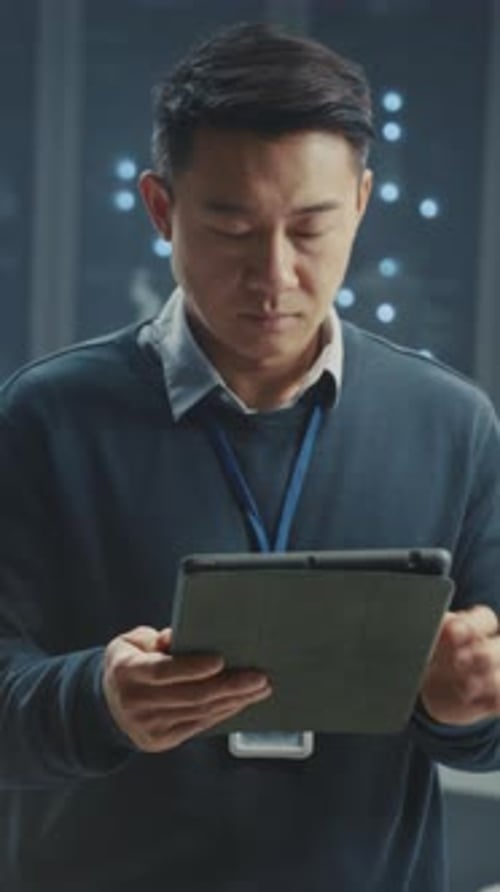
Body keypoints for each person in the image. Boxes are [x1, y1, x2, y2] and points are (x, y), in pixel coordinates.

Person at [1, 21, 500, 892]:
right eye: (232, 229)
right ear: (161, 209)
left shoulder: (451, 424)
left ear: (363, 204)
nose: (275, 278)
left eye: (311, 229)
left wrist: (462, 707)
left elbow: (486, 723)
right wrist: (99, 701)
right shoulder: (46, 417)